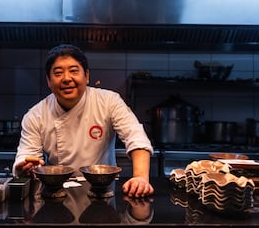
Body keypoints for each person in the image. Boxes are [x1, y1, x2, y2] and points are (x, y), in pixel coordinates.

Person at [12, 44, 154, 198]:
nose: (67, 79)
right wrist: (24, 167)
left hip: (102, 192)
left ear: (86, 76)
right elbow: (27, 155)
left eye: (73, 71)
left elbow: (135, 136)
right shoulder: (36, 115)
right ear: (48, 81)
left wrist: (141, 177)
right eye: (58, 73)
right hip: (57, 195)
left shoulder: (108, 101)